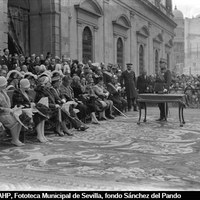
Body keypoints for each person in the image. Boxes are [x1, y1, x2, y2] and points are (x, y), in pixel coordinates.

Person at [0, 76, 23, 146]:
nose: (5, 85)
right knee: (13, 122)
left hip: (8, 112)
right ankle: (14, 139)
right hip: (2, 113)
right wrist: (7, 109)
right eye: (4, 84)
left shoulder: (3, 91)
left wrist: (13, 109)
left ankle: (16, 138)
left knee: (19, 121)